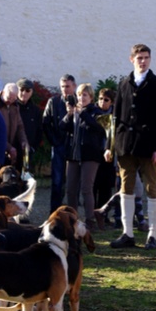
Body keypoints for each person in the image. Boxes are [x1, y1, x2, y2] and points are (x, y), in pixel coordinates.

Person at [108, 44, 156, 250]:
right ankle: (128, 233)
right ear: (131, 59)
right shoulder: (124, 83)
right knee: (126, 188)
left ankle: (152, 234)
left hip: (150, 145)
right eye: (139, 58)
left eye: (146, 57)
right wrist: (112, 145)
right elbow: (116, 117)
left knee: (152, 188)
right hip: (126, 145)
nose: (143, 61)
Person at [61, 83, 106, 230]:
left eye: (85, 95)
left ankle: (90, 220)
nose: (81, 98)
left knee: (87, 188)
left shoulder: (96, 112)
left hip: (90, 155)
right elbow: (62, 127)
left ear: (91, 97)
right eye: (79, 95)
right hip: (73, 154)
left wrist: (83, 114)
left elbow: (98, 128)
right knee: (71, 189)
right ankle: (73, 218)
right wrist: (69, 113)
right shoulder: (74, 112)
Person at [43, 74, 77, 211]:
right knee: (57, 182)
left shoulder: (79, 101)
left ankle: (72, 212)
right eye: (62, 87)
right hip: (59, 145)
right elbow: (46, 123)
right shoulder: (54, 102)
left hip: (74, 146)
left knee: (73, 183)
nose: (65, 89)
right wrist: (54, 141)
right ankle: (54, 212)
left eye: (67, 86)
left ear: (74, 86)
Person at [93, 88, 118, 228]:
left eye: (106, 100)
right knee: (94, 185)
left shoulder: (115, 114)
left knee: (106, 187)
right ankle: (93, 212)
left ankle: (104, 214)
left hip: (109, 155)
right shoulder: (94, 112)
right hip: (96, 153)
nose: (102, 102)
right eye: (101, 99)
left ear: (112, 102)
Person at [0, 82, 29, 167]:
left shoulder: (15, 106)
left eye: (14, 99)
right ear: (3, 92)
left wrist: (24, 141)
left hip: (8, 151)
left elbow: (19, 126)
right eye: (9, 98)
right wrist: (9, 147)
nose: (10, 101)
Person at [16, 78, 42, 173]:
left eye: (27, 90)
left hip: (28, 152)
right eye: (21, 90)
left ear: (31, 92)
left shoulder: (35, 110)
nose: (24, 93)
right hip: (12, 152)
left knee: (26, 181)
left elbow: (39, 131)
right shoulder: (11, 107)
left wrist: (33, 148)